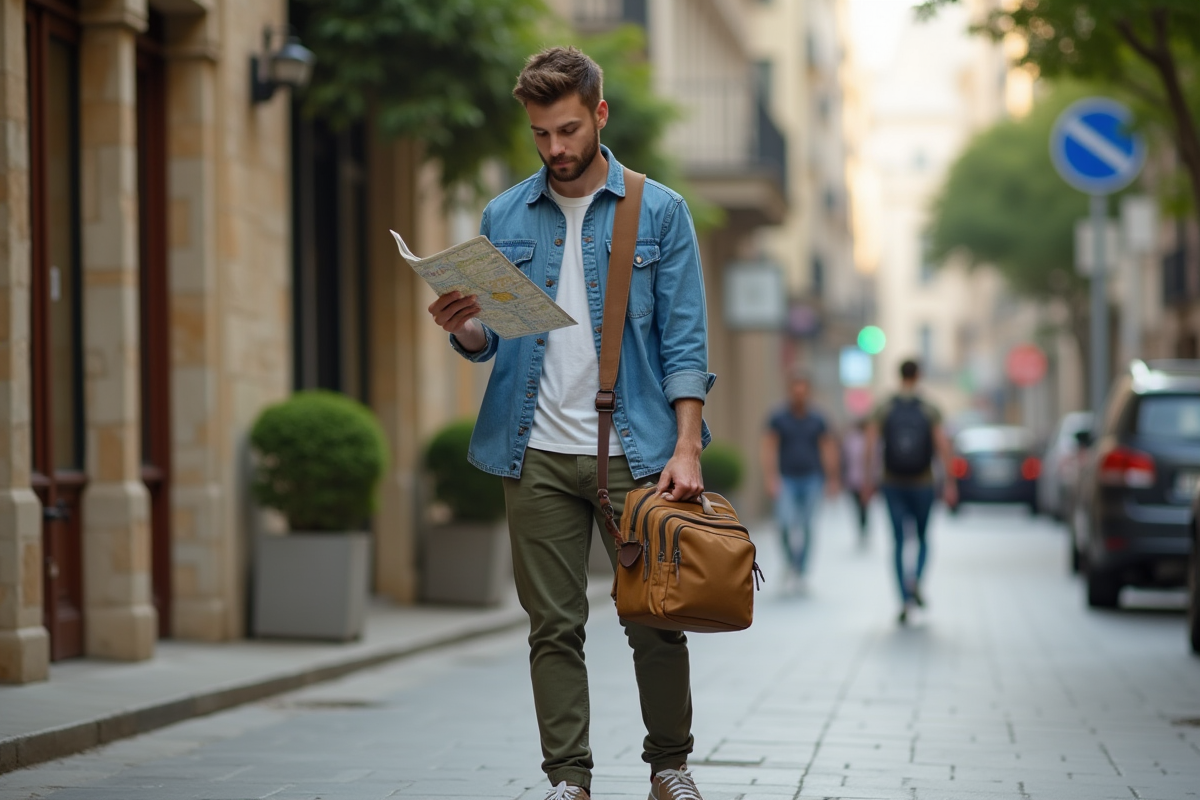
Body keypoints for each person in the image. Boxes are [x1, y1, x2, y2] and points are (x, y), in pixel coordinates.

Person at [425, 47, 714, 800]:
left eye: (567, 130)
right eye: (540, 134)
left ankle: (669, 765)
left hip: (639, 451)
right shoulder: (504, 214)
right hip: (536, 451)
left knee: (654, 620)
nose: (555, 148)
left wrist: (687, 447)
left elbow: (685, 342)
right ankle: (569, 779)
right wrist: (464, 330)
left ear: (599, 115)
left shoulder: (661, 211)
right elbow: (492, 343)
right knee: (552, 627)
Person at [860, 359, 957, 624]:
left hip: (892, 482)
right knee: (924, 538)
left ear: (898, 375)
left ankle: (903, 596)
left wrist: (868, 482)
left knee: (899, 541)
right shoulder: (929, 408)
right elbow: (942, 446)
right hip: (923, 482)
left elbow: (870, 445)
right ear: (919, 375)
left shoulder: (885, 407)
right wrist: (949, 483)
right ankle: (916, 581)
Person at [760, 374, 840, 588]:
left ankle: (801, 569)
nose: (799, 395)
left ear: (808, 392)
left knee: (806, 526)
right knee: (785, 523)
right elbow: (770, 448)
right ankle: (791, 562)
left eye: (803, 391)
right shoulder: (778, 418)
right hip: (786, 479)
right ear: (789, 391)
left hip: (812, 478)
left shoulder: (818, 419)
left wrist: (832, 479)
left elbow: (827, 448)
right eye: (795, 391)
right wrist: (770, 478)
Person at [841, 418, 871, 543]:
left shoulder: (870, 439)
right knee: (857, 506)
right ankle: (861, 528)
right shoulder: (850, 438)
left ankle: (864, 528)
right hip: (852, 479)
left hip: (866, 480)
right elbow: (844, 458)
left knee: (864, 507)